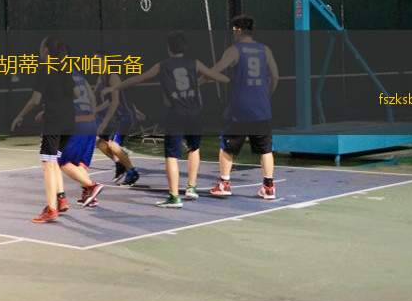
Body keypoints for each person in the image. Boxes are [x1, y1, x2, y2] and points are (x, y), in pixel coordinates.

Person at [112, 32, 228, 208]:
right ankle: (191, 188)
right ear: (185, 47)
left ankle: (174, 197)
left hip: (176, 113)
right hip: (195, 113)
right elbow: (219, 77)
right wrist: (225, 79)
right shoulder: (195, 63)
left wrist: (116, 87)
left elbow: (138, 78)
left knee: (171, 155)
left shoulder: (163, 65)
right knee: (194, 148)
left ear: (168, 48)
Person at [208, 15, 280, 200]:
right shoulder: (265, 49)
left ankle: (224, 184)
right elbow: (275, 77)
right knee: (265, 149)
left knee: (227, 147)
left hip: (239, 109)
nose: (233, 32)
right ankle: (269, 187)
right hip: (262, 108)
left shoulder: (234, 50)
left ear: (238, 30)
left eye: (233, 29)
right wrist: (267, 95)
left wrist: (200, 80)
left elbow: (215, 71)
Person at [11, 36, 75, 223]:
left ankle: (51, 209)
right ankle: (61, 199)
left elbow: (35, 99)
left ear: (46, 50)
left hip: (54, 122)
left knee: (48, 164)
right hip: (69, 121)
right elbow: (74, 93)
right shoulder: (64, 67)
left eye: (41, 47)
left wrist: (20, 115)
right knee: (54, 161)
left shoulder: (45, 68)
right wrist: (51, 108)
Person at [39, 68, 105, 207]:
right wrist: (92, 118)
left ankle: (91, 186)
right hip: (90, 122)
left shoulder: (60, 75)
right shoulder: (81, 77)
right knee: (79, 164)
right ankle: (89, 195)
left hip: (76, 123)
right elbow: (92, 98)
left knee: (60, 161)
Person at [94, 66, 143, 185]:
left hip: (124, 116)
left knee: (113, 144)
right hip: (115, 118)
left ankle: (132, 171)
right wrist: (95, 110)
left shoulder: (113, 77)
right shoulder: (101, 78)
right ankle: (119, 163)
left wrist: (105, 122)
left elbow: (115, 102)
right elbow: (108, 102)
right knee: (100, 143)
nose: (94, 63)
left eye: (97, 61)